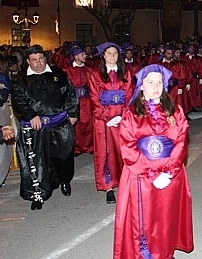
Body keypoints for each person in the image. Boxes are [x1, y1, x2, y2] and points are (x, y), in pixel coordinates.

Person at [113, 64, 193, 259]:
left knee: (167, 216)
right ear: (141, 85)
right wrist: (152, 174)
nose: (155, 87)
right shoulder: (131, 113)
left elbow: (181, 140)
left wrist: (170, 171)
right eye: (150, 82)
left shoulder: (175, 111)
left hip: (170, 173)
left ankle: (166, 252)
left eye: (159, 82)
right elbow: (128, 147)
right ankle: (146, 253)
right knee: (146, 218)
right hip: (141, 174)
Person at [12, 45, 79, 210]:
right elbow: (18, 100)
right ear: (28, 61)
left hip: (60, 123)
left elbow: (71, 93)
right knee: (38, 161)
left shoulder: (59, 73)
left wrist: (73, 113)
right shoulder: (21, 78)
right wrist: (30, 115)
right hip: (36, 127)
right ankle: (38, 193)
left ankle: (64, 181)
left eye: (41, 59)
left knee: (64, 157)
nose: (39, 63)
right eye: (34, 60)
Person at [89, 42, 133, 204]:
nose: (113, 56)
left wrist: (122, 115)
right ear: (103, 56)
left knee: (123, 152)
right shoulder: (96, 75)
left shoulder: (125, 74)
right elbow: (94, 98)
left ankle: (125, 183)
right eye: (109, 53)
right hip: (104, 121)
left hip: (122, 119)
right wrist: (106, 116)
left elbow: (129, 96)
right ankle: (108, 187)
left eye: (115, 53)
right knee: (106, 152)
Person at [63, 46, 94, 155]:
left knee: (89, 123)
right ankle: (77, 148)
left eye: (85, 54)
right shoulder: (67, 70)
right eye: (82, 54)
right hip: (74, 101)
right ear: (76, 56)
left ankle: (90, 146)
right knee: (77, 125)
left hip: (87, 100)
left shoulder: (89, 70)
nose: (85, 56)